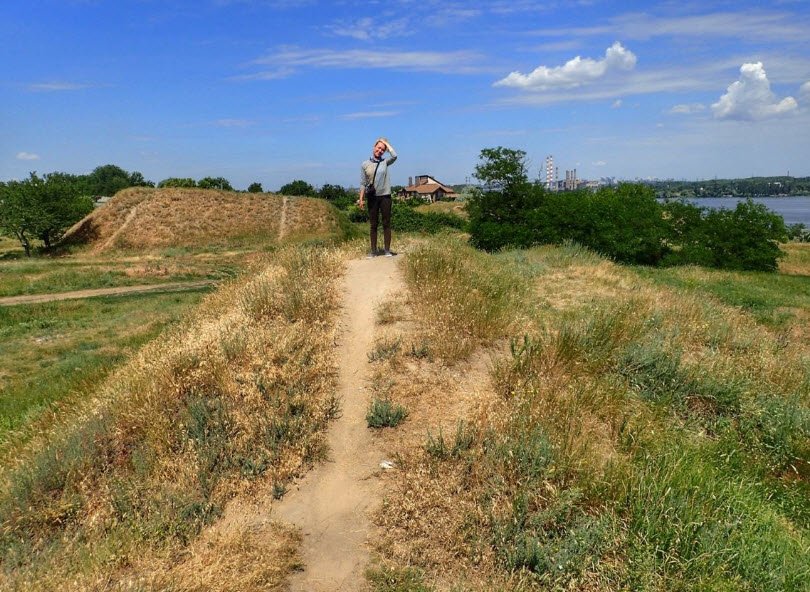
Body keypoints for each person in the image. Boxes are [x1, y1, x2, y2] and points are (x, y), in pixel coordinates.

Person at [358, 137, 397, 257]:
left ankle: (387, 250)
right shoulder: (365, 164)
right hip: (372, 197)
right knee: (373, 225)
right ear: (374, 147)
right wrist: (361, 199)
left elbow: (395, 156)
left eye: (382, 150)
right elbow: (363, 183)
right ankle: (373, 251)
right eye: (378, 148)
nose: (380, 151)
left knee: (386, 223)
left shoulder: (385, 162)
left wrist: (386, 143)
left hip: (385, 196)